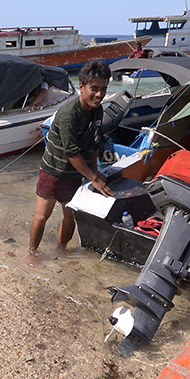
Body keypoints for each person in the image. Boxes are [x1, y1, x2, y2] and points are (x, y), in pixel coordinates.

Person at [28, 60, 114, 265]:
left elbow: (94, 144)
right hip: (53, 171)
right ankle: (31, 253)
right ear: (82, 87)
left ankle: (61, 249)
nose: (99, 95)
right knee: (42, 216)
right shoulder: (69, 114)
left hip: (75, 174)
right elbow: (72, 153)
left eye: (103, 89)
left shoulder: (98, 111)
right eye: (94, 89)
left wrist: (94, 171)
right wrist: (93, 178)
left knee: (70, 216)